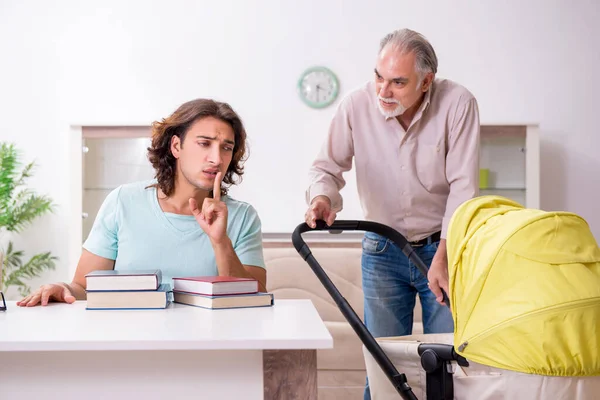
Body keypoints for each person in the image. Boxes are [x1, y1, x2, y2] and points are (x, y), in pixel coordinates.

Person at [304, 28, 480, 398]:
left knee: (448, 359)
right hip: (382, 250)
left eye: (398, 82)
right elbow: (326, 168)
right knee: (382, 361)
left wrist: (445, 256)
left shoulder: (457, 103)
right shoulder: (356, 105)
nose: (383, 91)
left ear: (426, 80)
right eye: (379, 77)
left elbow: (464, 188)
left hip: (442, 249)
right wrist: (322, 198)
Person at [18, 98, 266, 307]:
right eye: (204, 143)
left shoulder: (242, 216)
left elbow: (255, 299)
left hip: (211, 347)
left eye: (226, 148)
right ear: (176, 146)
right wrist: (61, 288)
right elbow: (84, 286)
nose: (216, 157)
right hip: (129, 343)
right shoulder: (122, 202)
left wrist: (220, 241)